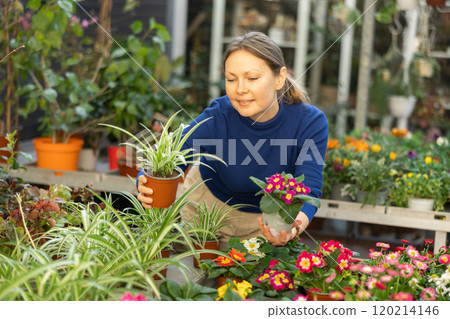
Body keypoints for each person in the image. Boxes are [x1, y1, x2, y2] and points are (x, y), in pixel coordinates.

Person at [137, 31, 328, 246]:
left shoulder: (309, 123)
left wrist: (292, 229)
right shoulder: (219, 115)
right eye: (231, 79)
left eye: (252, 78)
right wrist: (145, 183)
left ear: (279, 78)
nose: (240, 89)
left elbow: (309, 189)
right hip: (206, 207)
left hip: (267, 221)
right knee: (197, 276)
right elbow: (172, 153)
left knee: (250, 279)